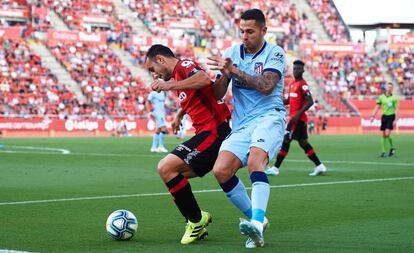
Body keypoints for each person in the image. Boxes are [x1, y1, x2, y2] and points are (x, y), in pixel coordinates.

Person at [207, 9, 286, 248]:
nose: (244, 36)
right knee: (221, 171)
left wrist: (236, 71)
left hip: (269, 117)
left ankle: (257, 226)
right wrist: (223, 75)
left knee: (255, 162)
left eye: (250, 31)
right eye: (242, 31)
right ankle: (258, 219)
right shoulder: (232, 53)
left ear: (263, 30)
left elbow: (266, 85)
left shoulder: (275, 53)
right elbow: (218, 94)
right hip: (242, 124)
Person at [145, 44, 231, 245]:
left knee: (165, 167)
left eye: (152, 69)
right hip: (208, 133)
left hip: (214, 132)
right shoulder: (178, 76)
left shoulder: (183, 66)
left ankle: (195, 221)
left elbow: (202, 79)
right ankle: (196, 218)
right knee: (174, 177)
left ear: (161, 60)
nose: (153, 75)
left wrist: (168, 86)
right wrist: (179, 114)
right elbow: (198, 94)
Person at [265, 60, 327, 177]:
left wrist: (297, 115)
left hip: (297, 120)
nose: (296, 71)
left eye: (298, 69)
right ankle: (319, 166)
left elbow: (310, 101)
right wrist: (277, 103)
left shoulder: (303, 84)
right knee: (303, 143)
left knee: (286, 141)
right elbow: (290, 100)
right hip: (295, 119)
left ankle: (275, 168)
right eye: (294, 69)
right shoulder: (293, 84)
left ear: (303, 70)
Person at [371, 82, 399, 157]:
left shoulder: (394, 98)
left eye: (391, 87)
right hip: (384, 117)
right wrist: (373, 116)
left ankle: (392, 148)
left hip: (391, 116)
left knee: (387, 133)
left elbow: (396, 109)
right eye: (388, 87)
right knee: (383, 135)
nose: (389, 88)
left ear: (392, 89)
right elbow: (377, 107)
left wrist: (396, 119)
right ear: (386, 88)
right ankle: (384, 152)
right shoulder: (381, 97)